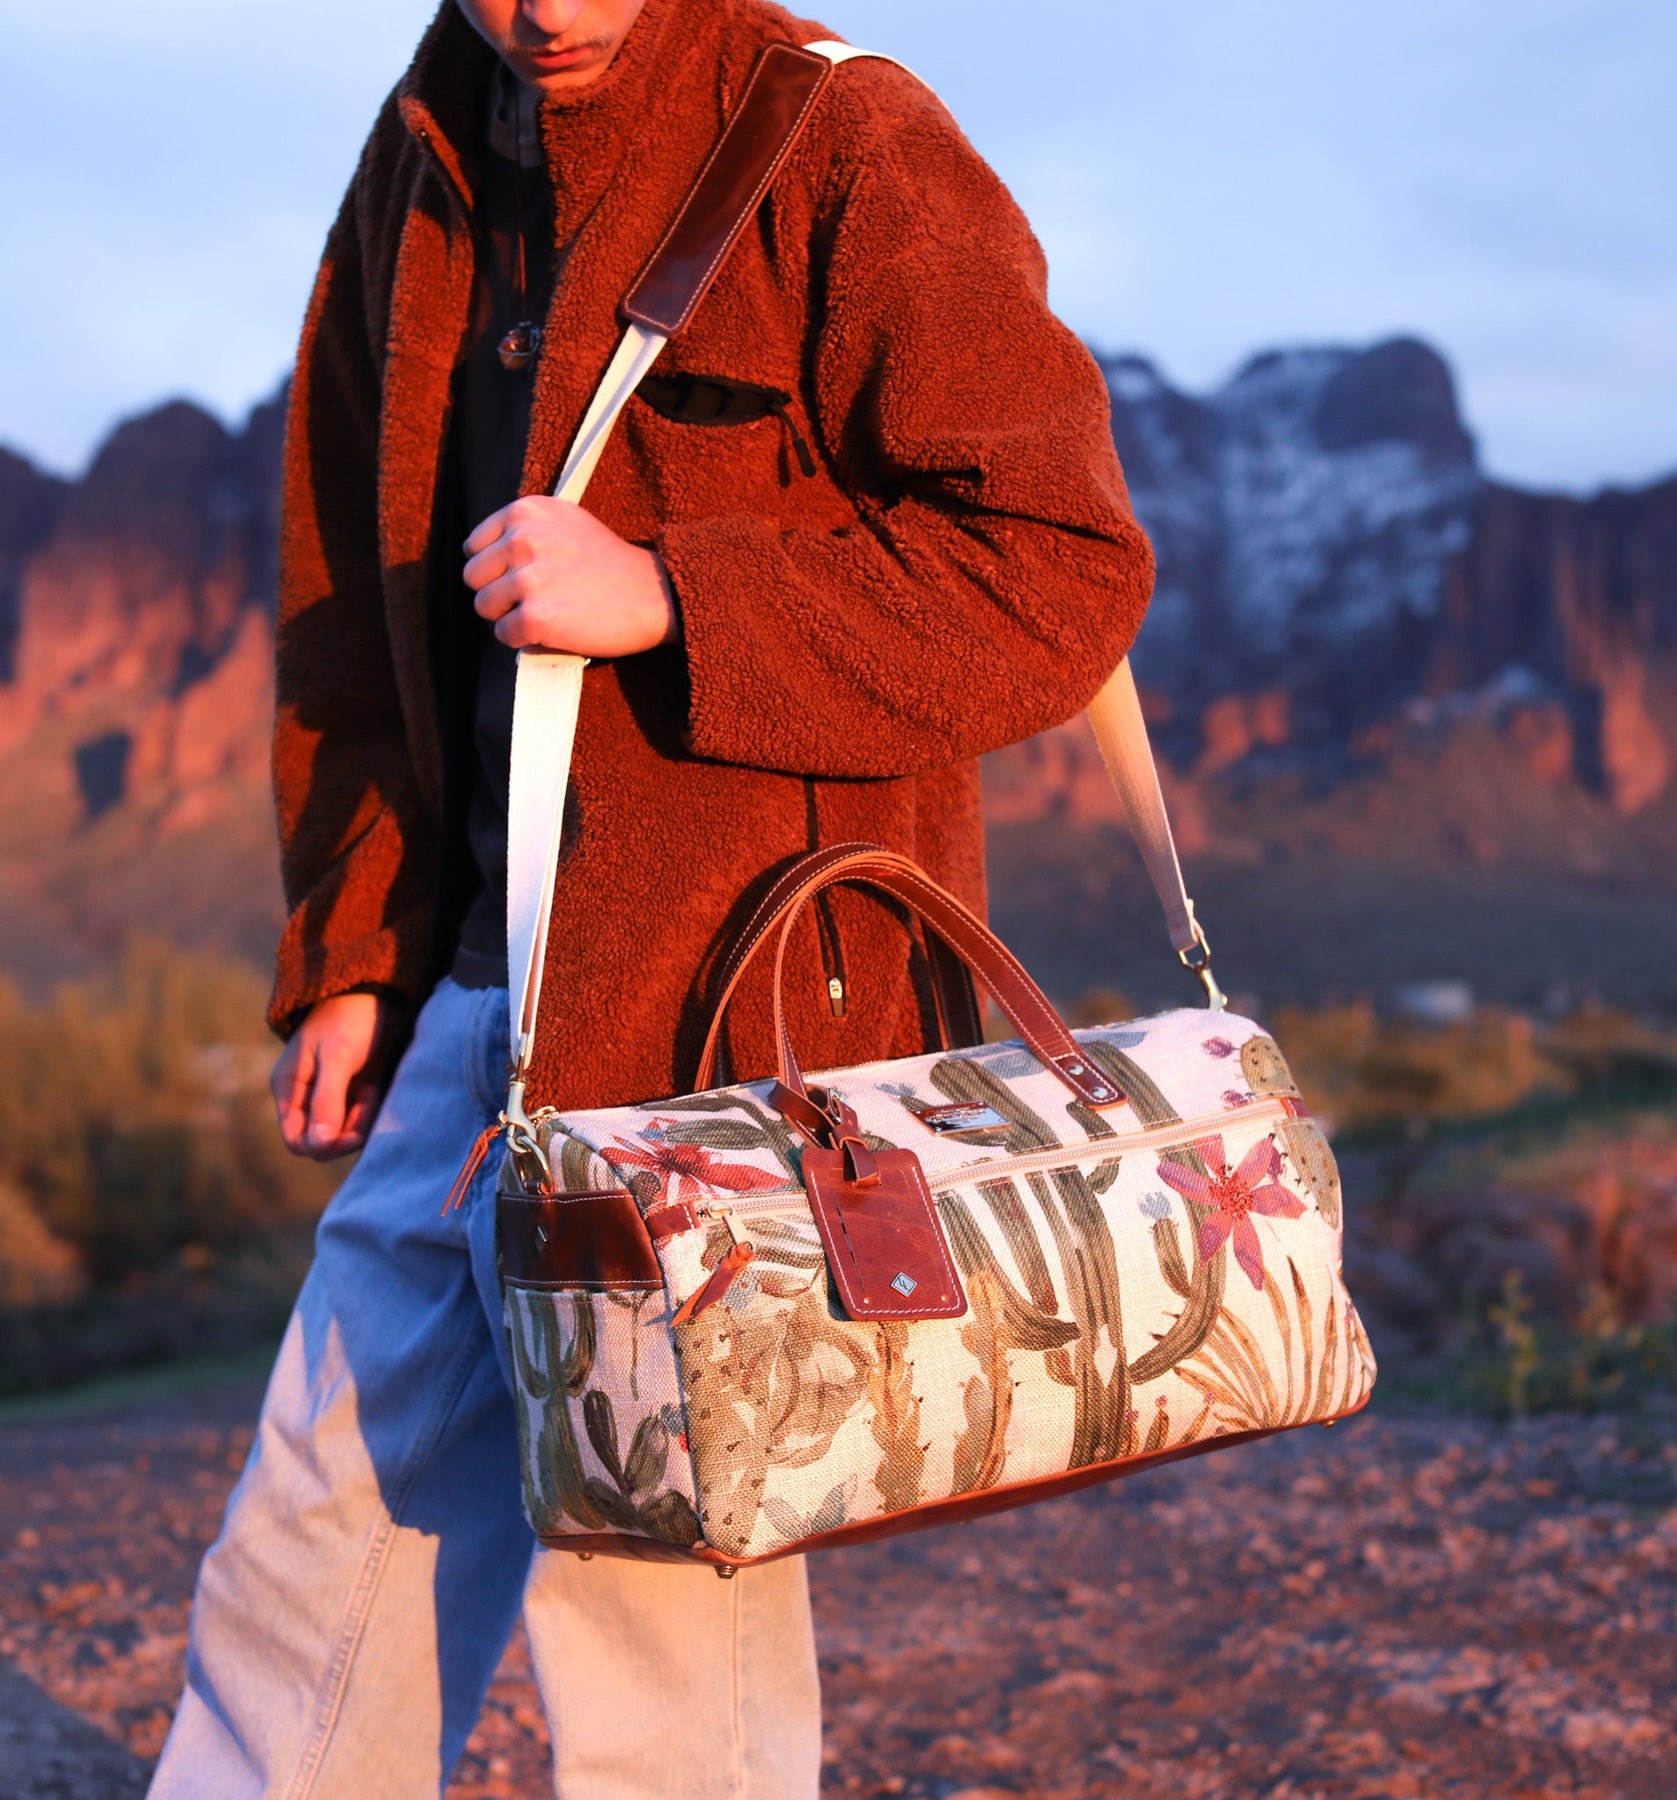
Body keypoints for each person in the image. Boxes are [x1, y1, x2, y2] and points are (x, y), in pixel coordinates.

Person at [149, 0, 1152, 1793]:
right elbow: (353, 599)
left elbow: (1058, 571)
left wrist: (680, 594)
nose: (542, 9)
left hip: (715, 1045)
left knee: (654, 1626)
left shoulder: (844, 137)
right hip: (474, 1003)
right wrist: (358, 953)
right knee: (311, 1551)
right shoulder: (421, 159)